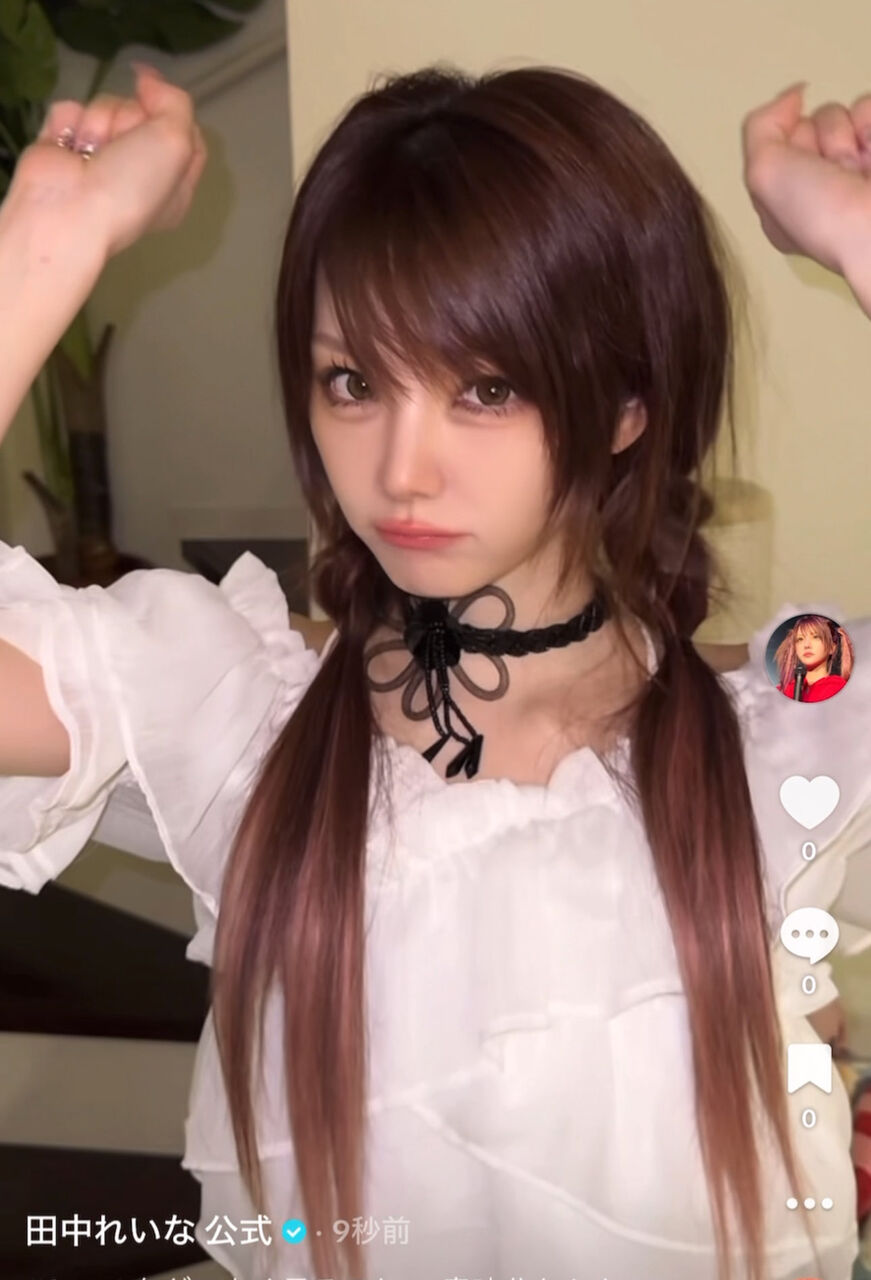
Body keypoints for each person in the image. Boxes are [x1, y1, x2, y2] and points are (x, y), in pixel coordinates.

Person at [0, 61, 869, 1280]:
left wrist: (856, 235)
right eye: (352, 382)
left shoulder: (786, 733)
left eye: (486, 387)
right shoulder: (234, 707)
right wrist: (50, 238)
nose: (400, 469)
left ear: (628, 403)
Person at [775, 613, 855, 702]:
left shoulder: (839, 689)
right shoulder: (783, 691)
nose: (806, 645)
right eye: (800, 639)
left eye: (816, 637)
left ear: (832, 648)